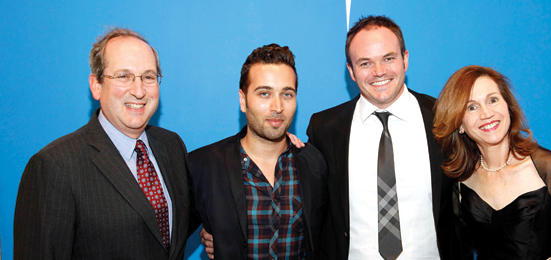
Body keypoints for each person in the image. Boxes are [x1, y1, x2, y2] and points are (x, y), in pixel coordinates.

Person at [14, 28, 199, 259]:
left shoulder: (171, 145)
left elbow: (170, 229)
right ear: (96, 85)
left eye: (148, 77)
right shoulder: (55, 166)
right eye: (123, 76)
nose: (139, 91)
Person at [306, 16, 469, 259]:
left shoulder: (444, 119)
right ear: (351, 71)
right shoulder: (324, 128)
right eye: (365, 63)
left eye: (388, 58)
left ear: (405, 59)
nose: (379, 72)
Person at [432, 65, 551, 259]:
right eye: (471, 107)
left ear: (508, 107)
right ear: (460, 123)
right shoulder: (460, 181)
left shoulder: (550, 169)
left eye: (493, 100)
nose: (486, 113)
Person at [189, 44, 328, 259]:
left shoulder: (314, 163)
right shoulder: (204, 165)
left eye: (287, 94)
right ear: (243, 100)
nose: (277, 106)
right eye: (264, 93)